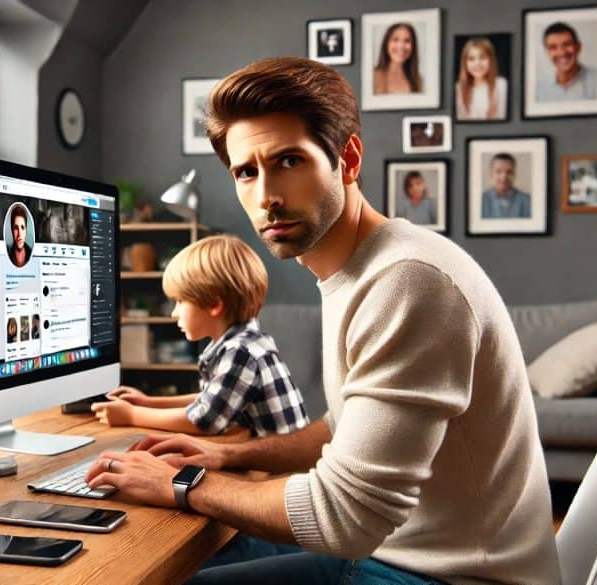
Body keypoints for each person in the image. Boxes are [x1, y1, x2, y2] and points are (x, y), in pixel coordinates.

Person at [85, 57, 560, 584]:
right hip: (401, 552)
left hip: (449, 575)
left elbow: (348, 516)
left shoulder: (408, 280)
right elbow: (345, 427)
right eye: (247, 171)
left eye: (289, 161)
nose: (267, 195)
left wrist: (183, 481)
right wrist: (221, 455)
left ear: (347, 159)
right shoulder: (360, 270)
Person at [92, 235, 310, 438]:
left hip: (277, 472)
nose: (173, 313)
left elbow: (204, 420)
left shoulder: (242, 353)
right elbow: (209, 400)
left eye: (179, 301)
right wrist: (148, 402)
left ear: (214, 304)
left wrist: (131, 415)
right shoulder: (243, 342)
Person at [535, 22, 597, 102]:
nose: (562, 53)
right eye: (553, 47)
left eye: (567, 44)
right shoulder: (539, 90)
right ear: (547, 52)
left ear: (578, 47)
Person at [455, 37, 507, 120]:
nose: (477, 63)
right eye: (471, 59)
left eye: (482, 57)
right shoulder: (458, 89)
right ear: (465, 63)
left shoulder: (501, 85)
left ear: (491, 60)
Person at [373, 23, 422, 94]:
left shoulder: (418, 80)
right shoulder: (373, 77)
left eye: (407, 41)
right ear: (386, 44)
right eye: (395, 40)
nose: (401, 46)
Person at [481, 153, 532, 219]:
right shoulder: (481, 201)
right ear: (491, 174)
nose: (504, 177)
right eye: (498, 171)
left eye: (509, 172)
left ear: (515, 174)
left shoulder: (528, 201)